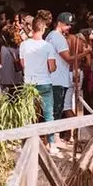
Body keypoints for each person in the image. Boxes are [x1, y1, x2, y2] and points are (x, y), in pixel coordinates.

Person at [18, 19, 58, 149]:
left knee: (28, 114)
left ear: (32, 28)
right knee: (48, 114)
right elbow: (52, 68)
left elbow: (23, 64)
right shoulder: (47, 46)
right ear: (43, 29)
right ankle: (51, 143)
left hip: (29, 83)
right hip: (44, 82)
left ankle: (28, 143)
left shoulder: (23, 45)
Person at [46, 13, 78, 124]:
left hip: (53, 78)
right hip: (58, 79)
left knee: (54, 111)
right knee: (57, 111)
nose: (69, 27)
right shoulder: (58, 37)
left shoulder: (50, 35)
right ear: (59, 23)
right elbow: (68, 59)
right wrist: (85, 53)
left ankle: (53, 136)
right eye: (67, 24)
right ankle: (54, 137)